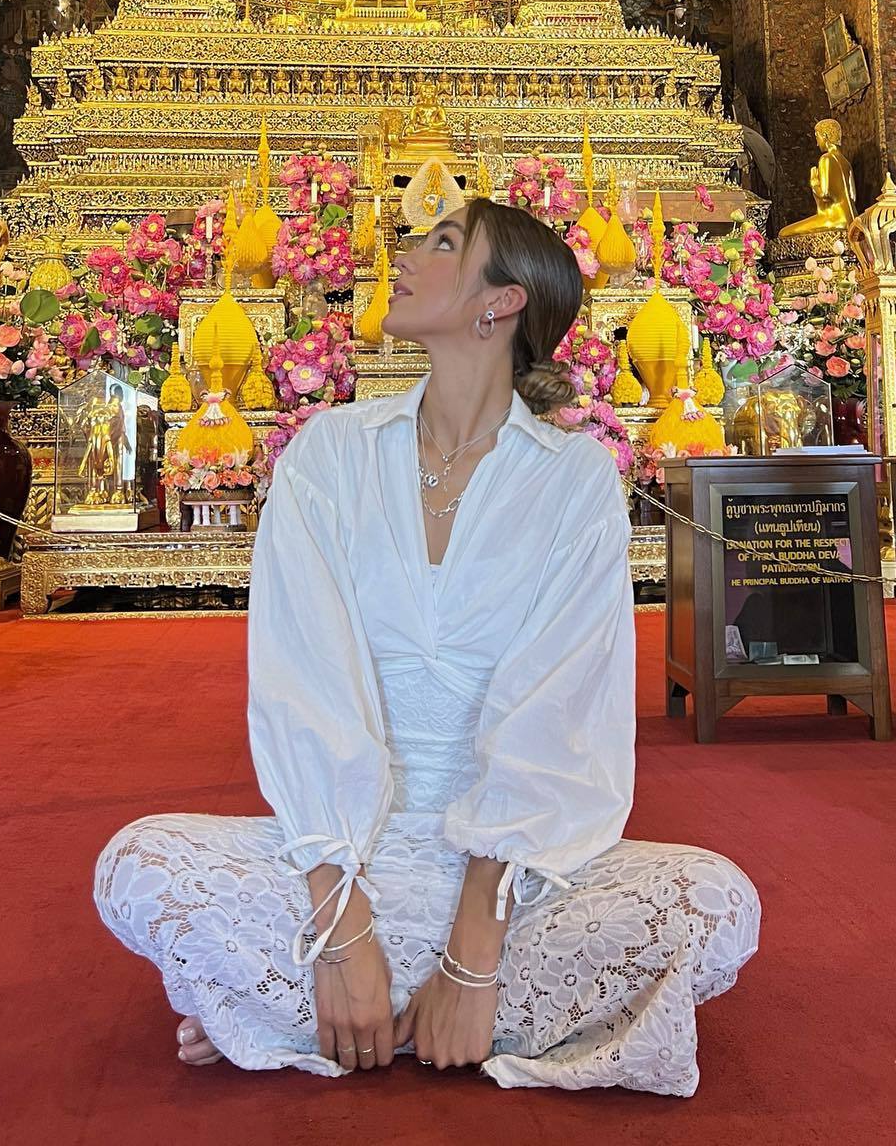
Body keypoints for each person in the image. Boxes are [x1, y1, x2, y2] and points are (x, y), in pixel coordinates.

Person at [94, 199, 759, 1095]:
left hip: (513, 872)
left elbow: (557, 714)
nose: (403, 255)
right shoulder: (329, 453)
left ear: (502, 302)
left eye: (444, 243)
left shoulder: (572, 480)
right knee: (137, 865)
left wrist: (474, 953)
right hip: (346, 846)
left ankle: (293, 1002)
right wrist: (341, 925)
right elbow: (303, 687)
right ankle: (380, 994)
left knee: (717, 902)